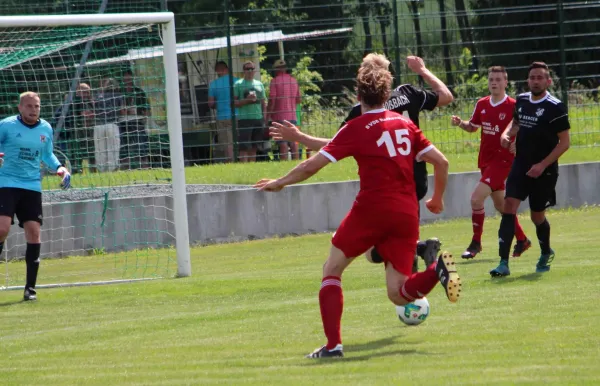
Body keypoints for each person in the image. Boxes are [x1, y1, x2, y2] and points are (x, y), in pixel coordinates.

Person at [254, 53, 461, 358]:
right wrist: (437, 198)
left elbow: (313, 165)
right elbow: (442, 162)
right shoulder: (405, 125)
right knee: (398, 293)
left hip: (372, 209)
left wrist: (281, 181)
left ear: (357, 94)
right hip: (406, 212)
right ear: (387, 93)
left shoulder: (356, 126)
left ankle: (333, 345)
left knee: (332, 269)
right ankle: (437, 270)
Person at [270, 55, 454, 271]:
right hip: (415, 176)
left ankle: (415, 275)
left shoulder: (362, 111)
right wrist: (423, 70)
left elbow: (335, 144)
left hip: (385, 182)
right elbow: (446, 97)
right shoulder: (407, 93)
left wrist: (301, 138)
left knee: (378, 250)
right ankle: (420, 256)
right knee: (403, 236)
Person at [490, 61, 570, 277]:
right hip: (521, 164)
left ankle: (545, 252)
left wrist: (542, 165)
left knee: (537, 217)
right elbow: (516, 122)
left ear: (548, 81)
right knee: (508, 206)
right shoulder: (523, 100)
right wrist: (507, 134)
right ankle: (503, 263)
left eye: (540, 78)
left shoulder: (556, 106)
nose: (535, 81)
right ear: (528, 80)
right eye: (532, 77)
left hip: (545, 170)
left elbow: (565, 143)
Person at [450, 66, 531, 259]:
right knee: (502, 206)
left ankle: (475, 243)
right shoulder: (482, 104)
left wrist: (518, 145)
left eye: (498, 79)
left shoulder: (513, 105)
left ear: (505, 82)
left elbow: (526, 128)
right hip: (486, 160)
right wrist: (461, 123)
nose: (494, 83)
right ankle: (522, 239)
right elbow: (473, 127)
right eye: (491, 79)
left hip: (504, 161)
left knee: (476, 199)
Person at [0, 92, 72, 301]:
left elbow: (47, 154)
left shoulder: (45, 128)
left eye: (37, 106)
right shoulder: (6, 125)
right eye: (29, 106)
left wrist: (60, 169)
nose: (33, 110)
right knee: (2, 229)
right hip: (6, 182)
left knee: (34, 233)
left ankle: (29, 289)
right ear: (20, 108)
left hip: (31, 185)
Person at [267, 59, 302, 160]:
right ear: (285, 68)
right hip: (292, 116)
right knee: (294, 142)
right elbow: (299, 99)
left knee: (282, 143)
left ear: (276, 69)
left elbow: (272, 100)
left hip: (279, 116)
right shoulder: (294, 81)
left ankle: (284, 162)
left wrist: (268, 115)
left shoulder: (274, 81)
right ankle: (296, 162)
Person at [233, 61, 267, 162]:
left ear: (255, 70)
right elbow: (234, 103)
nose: (250, 71)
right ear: (244, 71)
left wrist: (264, 117)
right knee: (243, 147)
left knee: (255, 146)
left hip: (258, 119)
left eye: (252, 69)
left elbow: (263, 102)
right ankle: (243, 166)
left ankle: (251, 166)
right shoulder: (238, 84)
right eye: (247, 69)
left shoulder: (259, 84)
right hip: (244, 119)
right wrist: (247, 100)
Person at [208, 61, 238, 162]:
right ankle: (233, 160)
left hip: (221, 116)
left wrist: (219, 104)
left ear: (218, 71)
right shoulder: (237, 82)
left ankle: (229, 160)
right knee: (233, 141)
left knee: (225, 142)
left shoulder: (213, 84)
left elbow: (210, 103)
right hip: (235, 115)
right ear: (227, 69)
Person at [94, 77, 124, 172]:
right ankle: (112, 169)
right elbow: (122, 110)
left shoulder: (99, 95)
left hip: (99, 125)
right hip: (112, 124)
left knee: (100, 150)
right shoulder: (118, 95)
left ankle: (101, 170)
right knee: (113, 149)